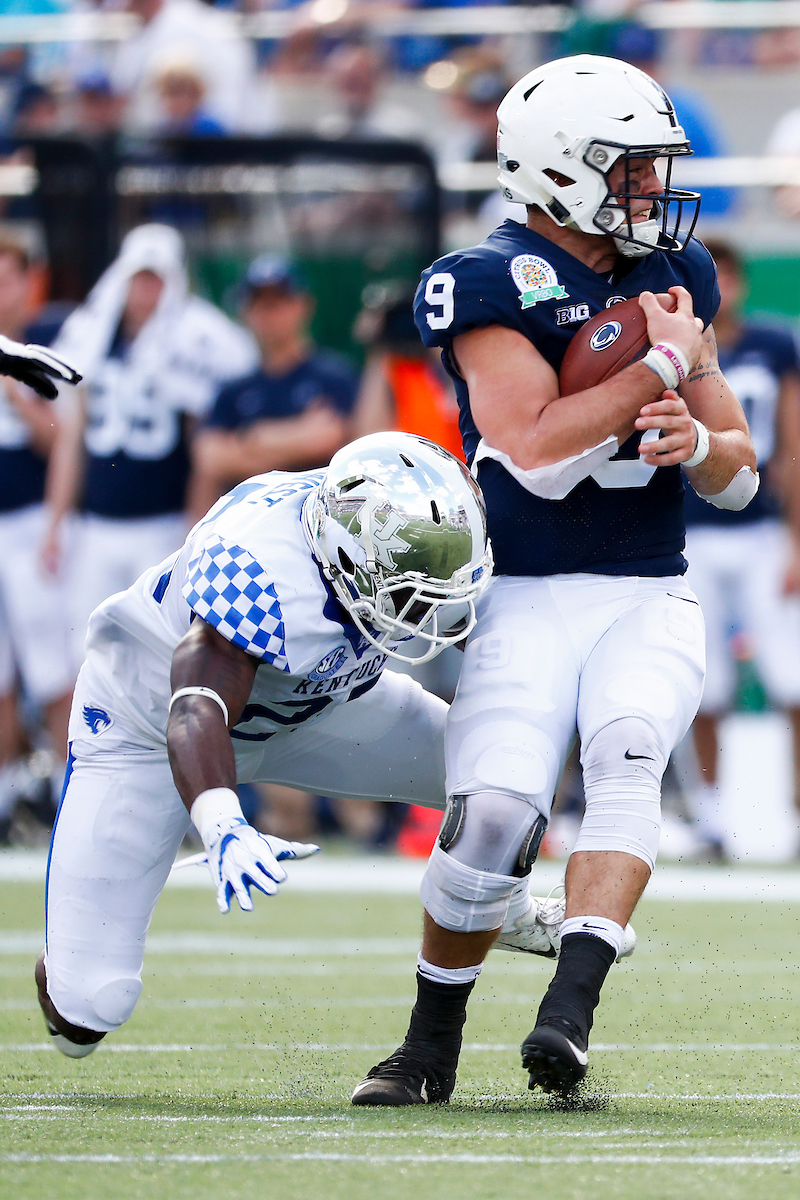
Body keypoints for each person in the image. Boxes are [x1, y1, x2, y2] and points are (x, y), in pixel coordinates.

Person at [351, 53, 758, 1107]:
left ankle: (563, 1018)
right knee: (491, 813)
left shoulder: (677, 273)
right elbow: (528, 446)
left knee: (628, 759)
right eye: (629, 169)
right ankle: (427, 1042)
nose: (650, 191)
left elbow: (738, 470)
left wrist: (688, 442)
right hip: (525, 588)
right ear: (561, 171)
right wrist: (657, 371)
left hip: (643, 587)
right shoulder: (485, 279)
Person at [35, 431, 499, 1056]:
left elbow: (473, 624)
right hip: (149, 727)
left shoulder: (383, 531)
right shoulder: (256, 568)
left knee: (497, 780)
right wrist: (222, 822)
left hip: (315, 709)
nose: (426, 611)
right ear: (346, 556)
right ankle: (75, 939)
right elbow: (195, 708)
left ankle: (510, 908)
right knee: (87, 1010)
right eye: (408, 590)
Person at [42, 223, 258, 664]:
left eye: (156, 278)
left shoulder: (195, 340)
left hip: (162, 524)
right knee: (84, 652)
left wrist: (196, 524)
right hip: (97, 523)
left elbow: (203, 443)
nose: (146, 289)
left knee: (161, 651)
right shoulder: (94, 334)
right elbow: (71, 439)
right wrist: (56, 520)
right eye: (139, 276)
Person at [683, 239, 800, 856]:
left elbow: (792, 447)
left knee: (791, 676)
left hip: (760, 529)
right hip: (690, 532)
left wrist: (797, 540)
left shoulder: (772, 346)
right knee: (705, 684)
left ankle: (796, 815)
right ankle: (709, 815)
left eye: (730, 273)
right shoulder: (668, 349)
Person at [0, 238, 82, 838]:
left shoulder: (51, 342)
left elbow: (61, 443)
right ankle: (9, 795)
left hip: (32, 521)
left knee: (55, 667)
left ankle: (69, 786)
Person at [188, 255, 357, 524]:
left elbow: (329, 439)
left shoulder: (332, 377)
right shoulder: (234, 389)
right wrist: (293, 438)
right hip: (247, 528)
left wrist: (249, 440)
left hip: (315, 527)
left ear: (302, 305)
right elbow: (210, 459)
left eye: (277, 304)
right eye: (259, 305)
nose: (268, 314)